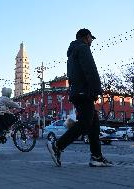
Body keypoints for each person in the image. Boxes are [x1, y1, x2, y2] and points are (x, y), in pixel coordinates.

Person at [47, 28, 112, 167]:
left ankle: (97, 157)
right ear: (86, 37)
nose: (92, 41)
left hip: (77, 92)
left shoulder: (72, 53)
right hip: (84, 92)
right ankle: (57, 145)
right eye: (91, 38)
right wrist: (96, 90)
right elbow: (91, 70)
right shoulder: (83, 48)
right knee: (85, 123)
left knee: (93, 125)